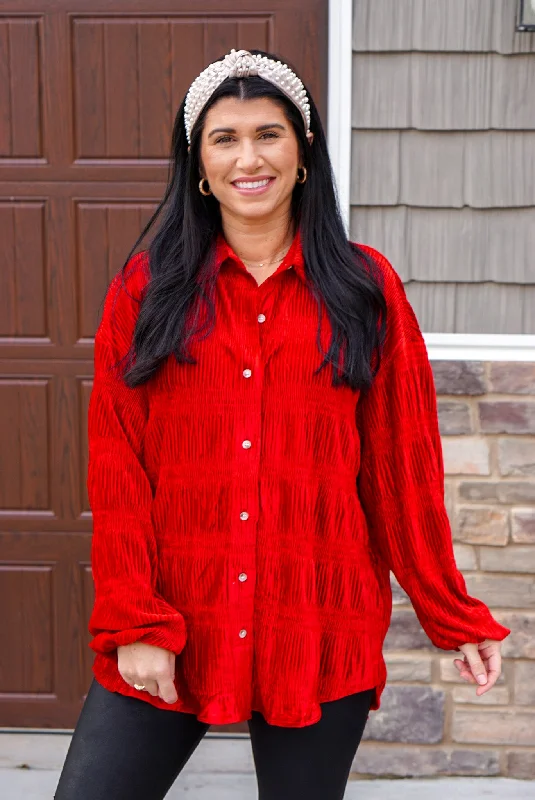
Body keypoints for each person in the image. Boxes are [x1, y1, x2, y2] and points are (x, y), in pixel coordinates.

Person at [55, 48, 510, 800]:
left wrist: (450, 610)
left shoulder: (365, 288)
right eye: (223, 139)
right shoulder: (147, 289)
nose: (248, 158)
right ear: (199, 165)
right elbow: (117, 463)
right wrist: (134, 620)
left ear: (302, 153)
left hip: (316, 621)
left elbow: (401, 470)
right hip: (174, 616)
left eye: (268, 134)